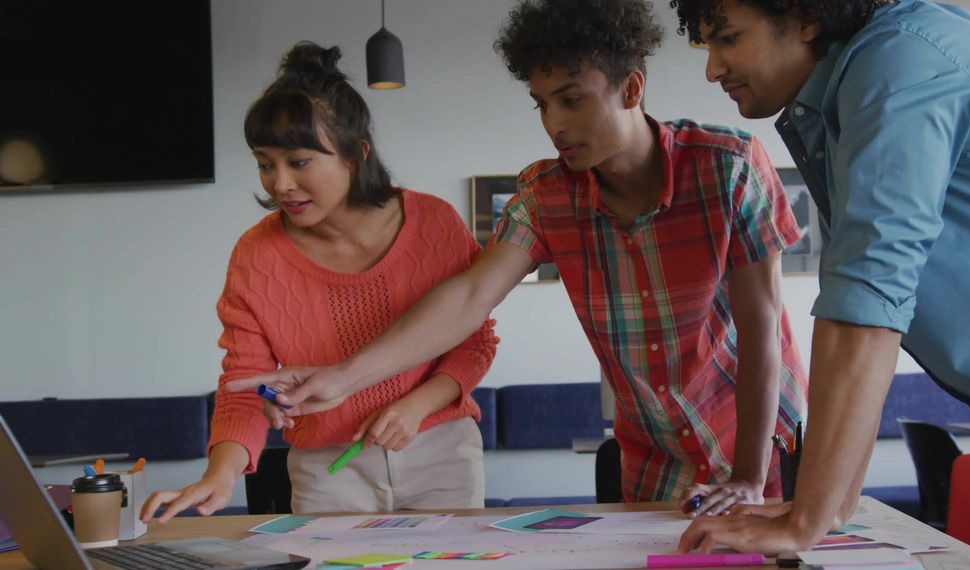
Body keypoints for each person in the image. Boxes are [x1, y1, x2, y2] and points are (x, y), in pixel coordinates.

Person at [232, 0, 807, 513]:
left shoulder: (728, 167)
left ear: (631, 89)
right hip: (653, 458)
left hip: (760, 445)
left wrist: (751, 476)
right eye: (541, 103)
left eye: (572, 100)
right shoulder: (545, 195)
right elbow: (467, 296)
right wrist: (342, 379)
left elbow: (763, 332)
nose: (554, 123)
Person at [668, 0, 970, 561]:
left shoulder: (898, 61)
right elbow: (861, 310)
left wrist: (807, 520)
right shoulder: (850, 93)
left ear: (806, 16)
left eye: (729, 38)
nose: (713, 68)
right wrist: (829, 506)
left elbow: (867, 299)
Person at [140, 41, 498, 523]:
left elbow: (474, 340)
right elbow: (244, 383)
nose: (279, 183)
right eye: (265, 163)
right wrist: (220, 474)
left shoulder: (433, 223)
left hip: (439, 449)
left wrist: (416, 405)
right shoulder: (256, 257)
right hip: (327, 470)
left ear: (356, 154)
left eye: (299, 161)